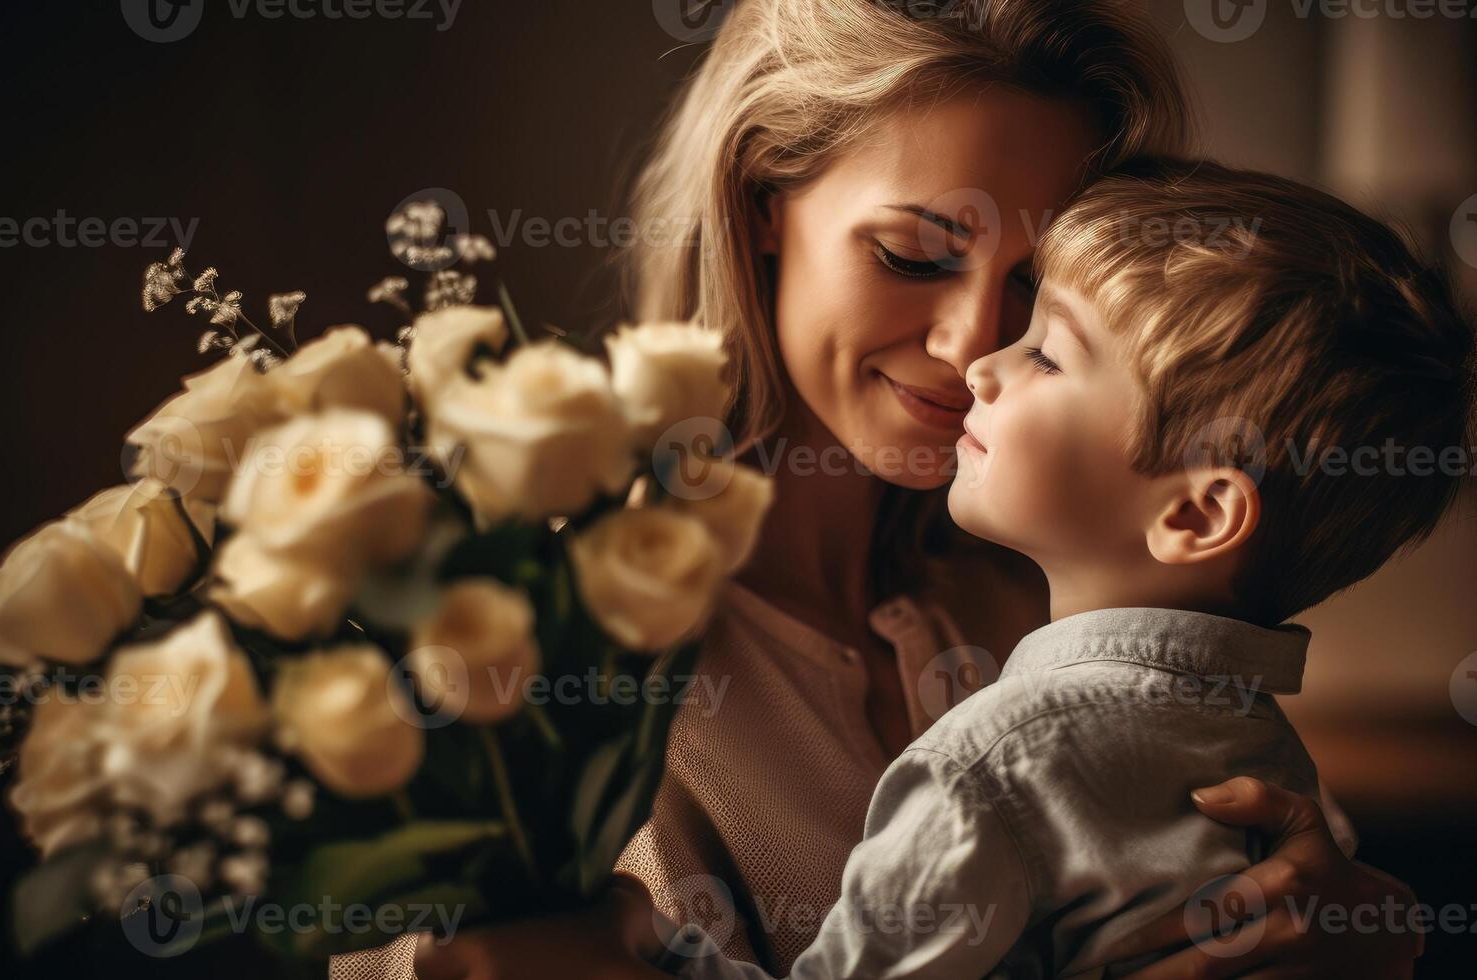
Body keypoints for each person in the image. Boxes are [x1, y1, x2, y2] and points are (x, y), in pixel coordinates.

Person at [366, 2, 1424, 976]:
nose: (973, 343)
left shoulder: (1078, 602)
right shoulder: (530, 647)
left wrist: (1362, 930)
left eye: (1030, 288)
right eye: (914, 252)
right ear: (760, 198)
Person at [632, 157, 1475, 977]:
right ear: (757, 211)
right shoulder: (1259, 748)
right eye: (912, 254)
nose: (977, 360)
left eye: (1042, 348)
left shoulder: (997, 762)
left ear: (1194, 514)